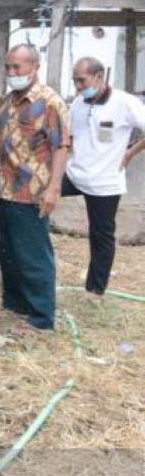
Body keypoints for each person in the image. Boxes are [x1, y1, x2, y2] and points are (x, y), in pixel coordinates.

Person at [0, 44, 68, 334]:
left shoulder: (49, 102)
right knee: (8, 253)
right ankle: (17, 306)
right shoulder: (8, 101)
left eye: (17, 68)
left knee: (33, 255)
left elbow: (61, 147)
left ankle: (41, 318)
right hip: (4, 187)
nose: (11, 73)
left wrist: (54, 188)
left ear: (34, 67)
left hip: (31, 191)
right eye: (8, 67)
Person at [64, 56, 145, 296]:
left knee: (101, 236)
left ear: (99, 77)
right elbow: (69, 138)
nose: (78, 87)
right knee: (38, 193)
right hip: (75, 173)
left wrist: (131, 152)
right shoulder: (78, 104)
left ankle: (95, 291)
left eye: (82, 80)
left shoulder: (125, 103)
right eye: (75, 81)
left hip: (105, 183)